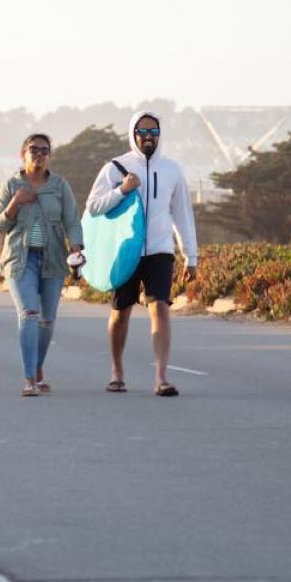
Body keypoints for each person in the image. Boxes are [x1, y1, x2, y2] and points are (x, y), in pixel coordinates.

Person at [85, 110, 198, 397]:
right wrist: (122, 190)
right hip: (125, 250)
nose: (148, 137)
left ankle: (161, 377)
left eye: (153, 132)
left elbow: (182, 214)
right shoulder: (115, 167)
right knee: (120, 312)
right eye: (143, 132)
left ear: (160, 135)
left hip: (160, 250)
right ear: (133, 133)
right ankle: (117, 372)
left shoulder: (172, 169)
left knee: (159, 306)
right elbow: (94, 207)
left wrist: (191, 255)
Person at [0, 133, 83, 397]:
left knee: (47, 320)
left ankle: (38, 367)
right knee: (29, 314)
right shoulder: (11, 185)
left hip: (53, 257)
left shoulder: (59, 185)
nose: (39, 154)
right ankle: (29, 378)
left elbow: (72, 220)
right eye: (34, 149)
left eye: (45, 150)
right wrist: (15, 203)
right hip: (21, 260)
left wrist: (76, 245)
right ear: (23, 153)